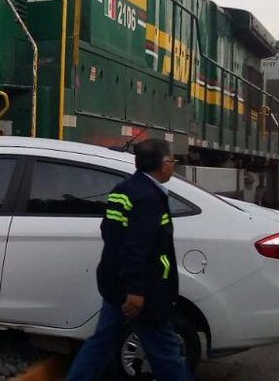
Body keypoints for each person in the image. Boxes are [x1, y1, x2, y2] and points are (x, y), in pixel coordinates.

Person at [67, 139, 190, 381]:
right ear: (163, 164)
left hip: (116, 284)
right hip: (142, 291)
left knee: (101, 343)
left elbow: (110, 233)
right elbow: (138, 246)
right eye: (172, 161)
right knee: (166, 353)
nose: (173, 166)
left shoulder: (124, 190)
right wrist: (136, 290)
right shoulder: (149, 198)